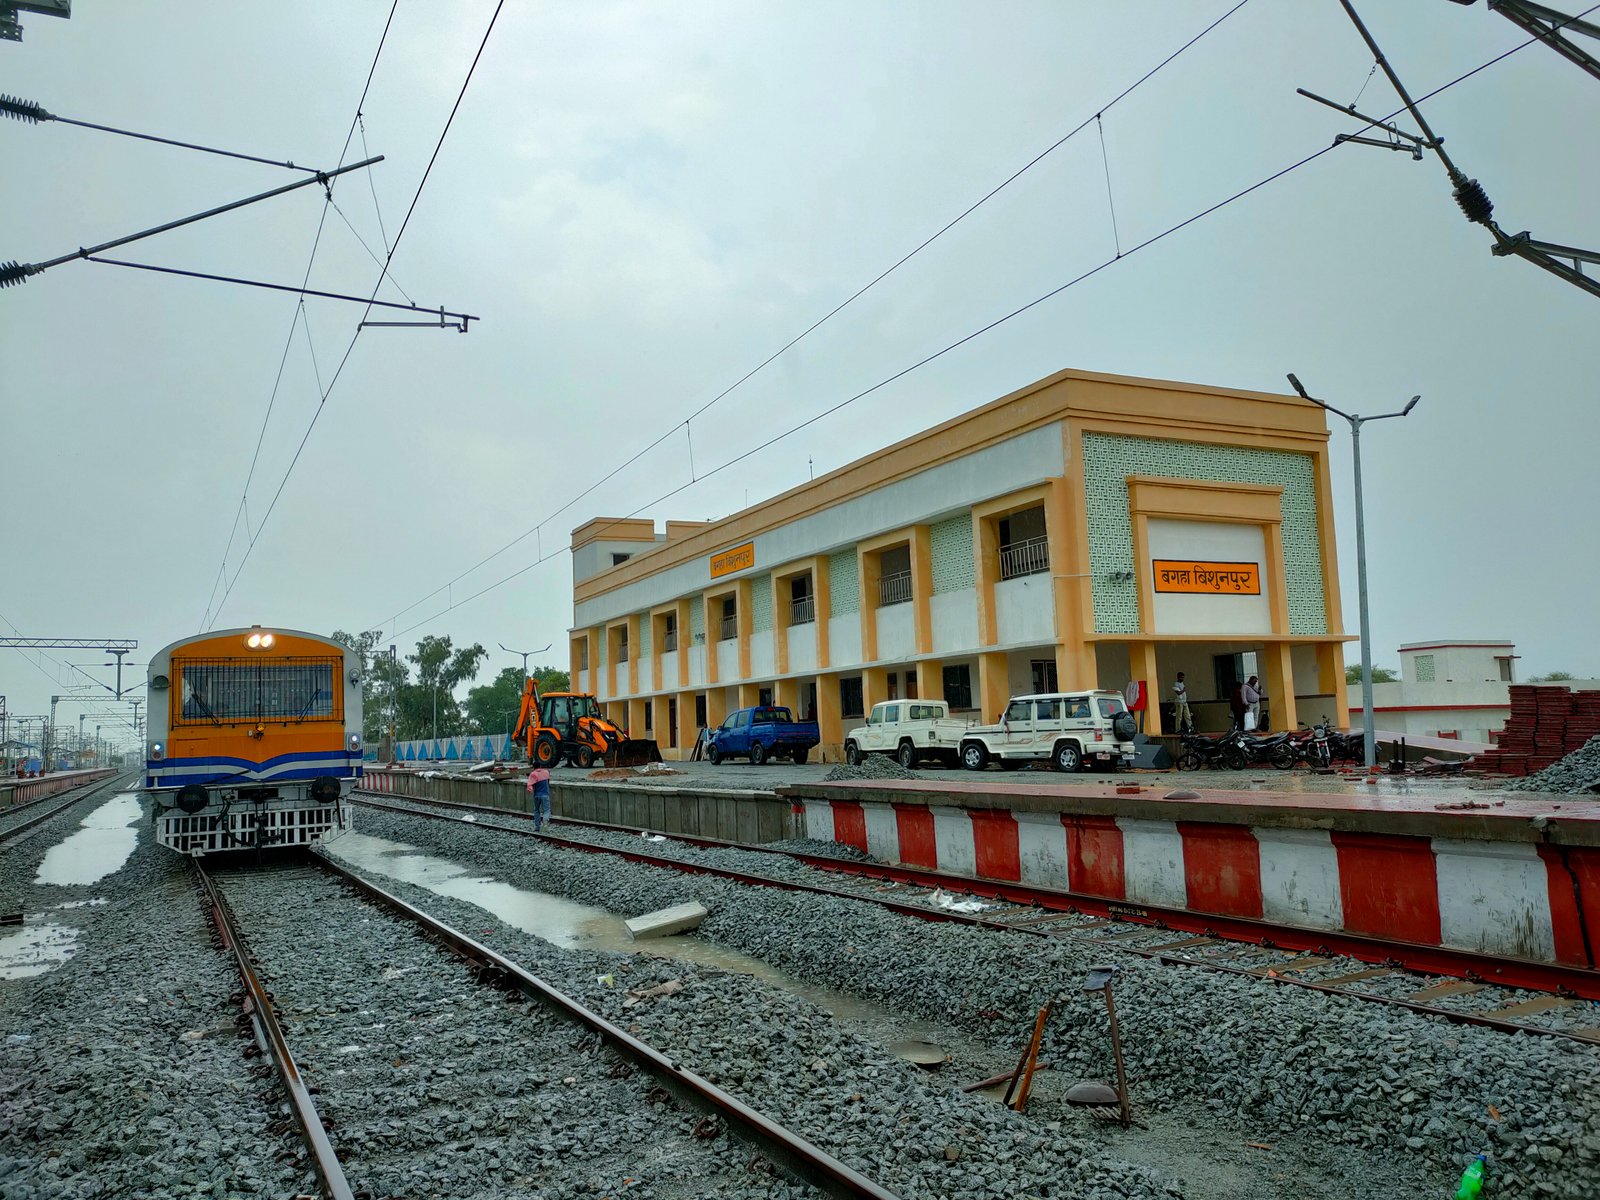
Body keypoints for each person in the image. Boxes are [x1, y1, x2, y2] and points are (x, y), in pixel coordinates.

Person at [526, 765, 552, 831]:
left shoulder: (533, 774)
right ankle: (545, 823)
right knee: (546, 810)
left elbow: (530, 784)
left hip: (537, 795)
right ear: (540, 766)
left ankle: (537, 826)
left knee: (536, 810)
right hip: (545, 795)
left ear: (533, 767)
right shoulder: (546, 772)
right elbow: (548, 782)